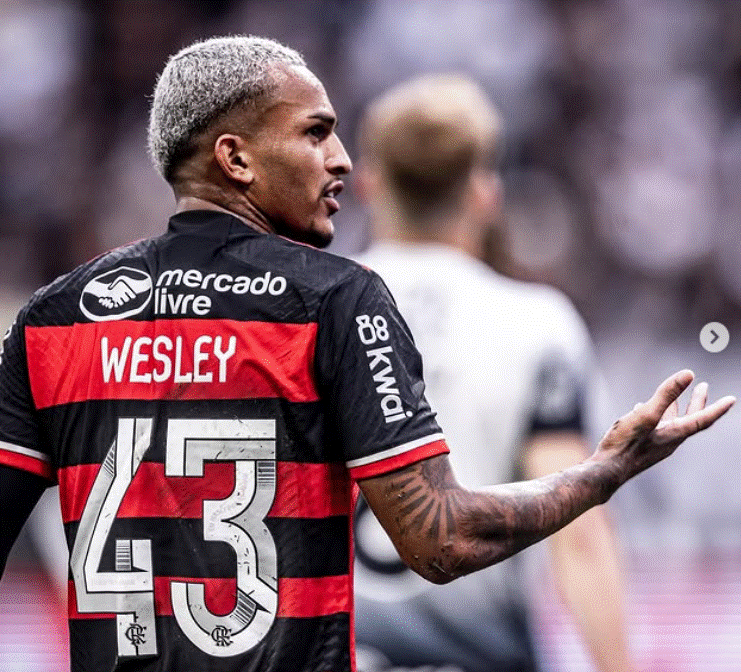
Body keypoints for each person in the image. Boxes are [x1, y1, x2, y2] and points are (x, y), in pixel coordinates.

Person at [0, 36, 733, 672]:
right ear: (236, 158)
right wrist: (605, 473)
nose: (341, 160)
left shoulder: (54, 318)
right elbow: (440, 539)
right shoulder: (335, 300)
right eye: (315, 134)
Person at [350, 73, 636, 672]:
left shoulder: (302, 313)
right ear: (484, 193)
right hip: (479, 654)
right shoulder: (537, 324)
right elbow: (578, 535)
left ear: (369, 184)